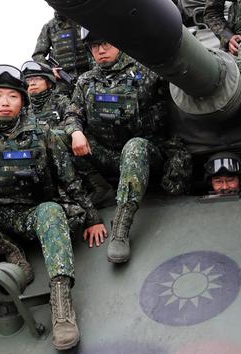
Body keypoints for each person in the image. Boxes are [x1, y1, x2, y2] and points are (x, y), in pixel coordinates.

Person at [0, 65, 106, 350]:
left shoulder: (44, 134)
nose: (4, 101)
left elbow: (69, 179)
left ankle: (62, 306)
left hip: (35, 214)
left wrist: (93, 219)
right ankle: (11, 252)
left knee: (52, 209)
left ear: (22, 101)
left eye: (12, 96)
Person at [64, 29, 190, 264]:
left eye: (106, 43)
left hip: (147, 152)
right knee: (62, 137)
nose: (100, 51)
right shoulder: (86, 81)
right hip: (109, 156)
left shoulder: (146, 70)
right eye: (94, 46)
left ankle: (120, 230)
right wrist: (76, 131)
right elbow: (73, 113)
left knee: (134, 147)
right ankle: (100, 188)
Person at [31, 12, 90, 82]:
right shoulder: (49, 27)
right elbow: (37, 55)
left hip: (88, 74)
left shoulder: (84, 21)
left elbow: (95, 45)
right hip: (62, 78)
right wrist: (50, 70)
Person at [21, 60, 70, 130]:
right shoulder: (22, 107)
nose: (32, 83)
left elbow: (71, 126)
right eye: (28, 80)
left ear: (49, 83)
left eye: (37, 79)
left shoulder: (61, 102)